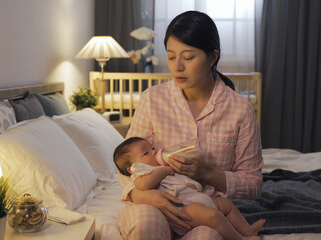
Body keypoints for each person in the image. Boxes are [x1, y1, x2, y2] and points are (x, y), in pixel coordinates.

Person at [117, 10, 263, 240]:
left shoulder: (239, 110)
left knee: (206, 237)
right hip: (154, 203)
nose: (177, 67)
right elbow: (126, 162)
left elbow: (253, 184)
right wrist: (139, 195)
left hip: (204, 210)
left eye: (188, 57)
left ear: (212, 57)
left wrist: (209, 173)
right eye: (171, 56)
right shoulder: (152, 99)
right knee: (145, 225)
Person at [114, 137, 265, 240]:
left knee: (226, 204)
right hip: (181, 208)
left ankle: (245, 229)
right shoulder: (141, 172)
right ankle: (239, 239)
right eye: (146, 153)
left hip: (195, 197)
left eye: (153, 148)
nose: (154, 152)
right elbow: (143, 185)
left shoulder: (159, 164)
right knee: (213, 216)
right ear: (131, 168)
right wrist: (163, 170)